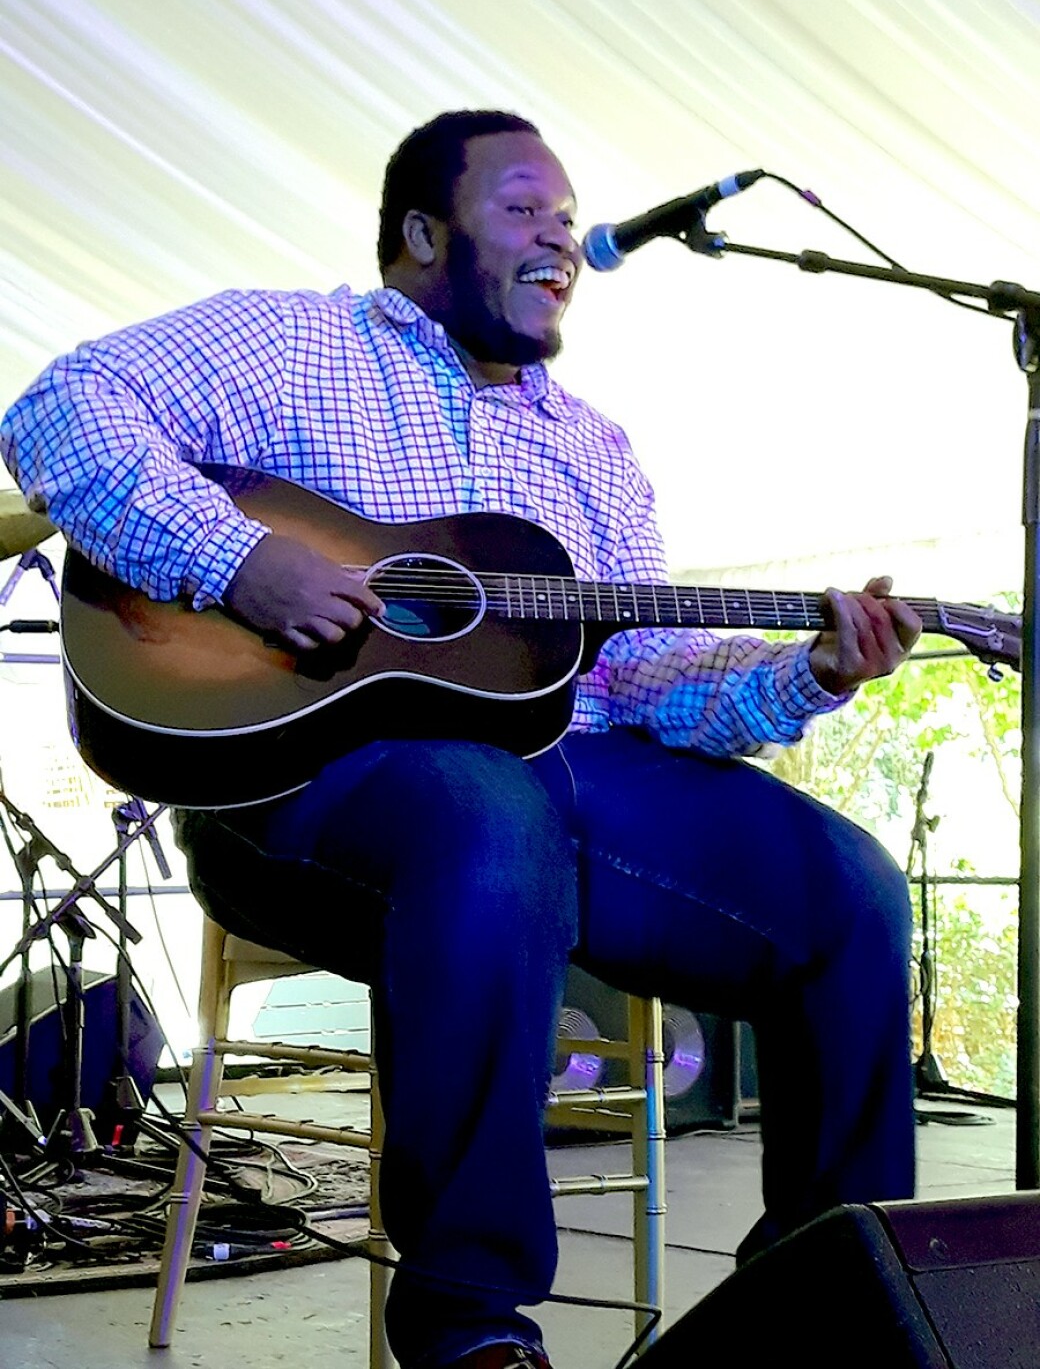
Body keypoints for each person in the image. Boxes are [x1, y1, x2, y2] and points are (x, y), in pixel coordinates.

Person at [1, 110, 921, 1369]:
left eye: (567, 216)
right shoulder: (291, 342)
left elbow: (645, 675)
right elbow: (58, 410)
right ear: (424, 235)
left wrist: (806, 670)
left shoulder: (590, 448)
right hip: (296, 785)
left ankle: (836, 1308)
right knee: (488, 808)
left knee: (847, 890)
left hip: (560, 779)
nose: (562, 238)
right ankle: (469, 1331)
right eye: (523, 209)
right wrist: (243, 560)